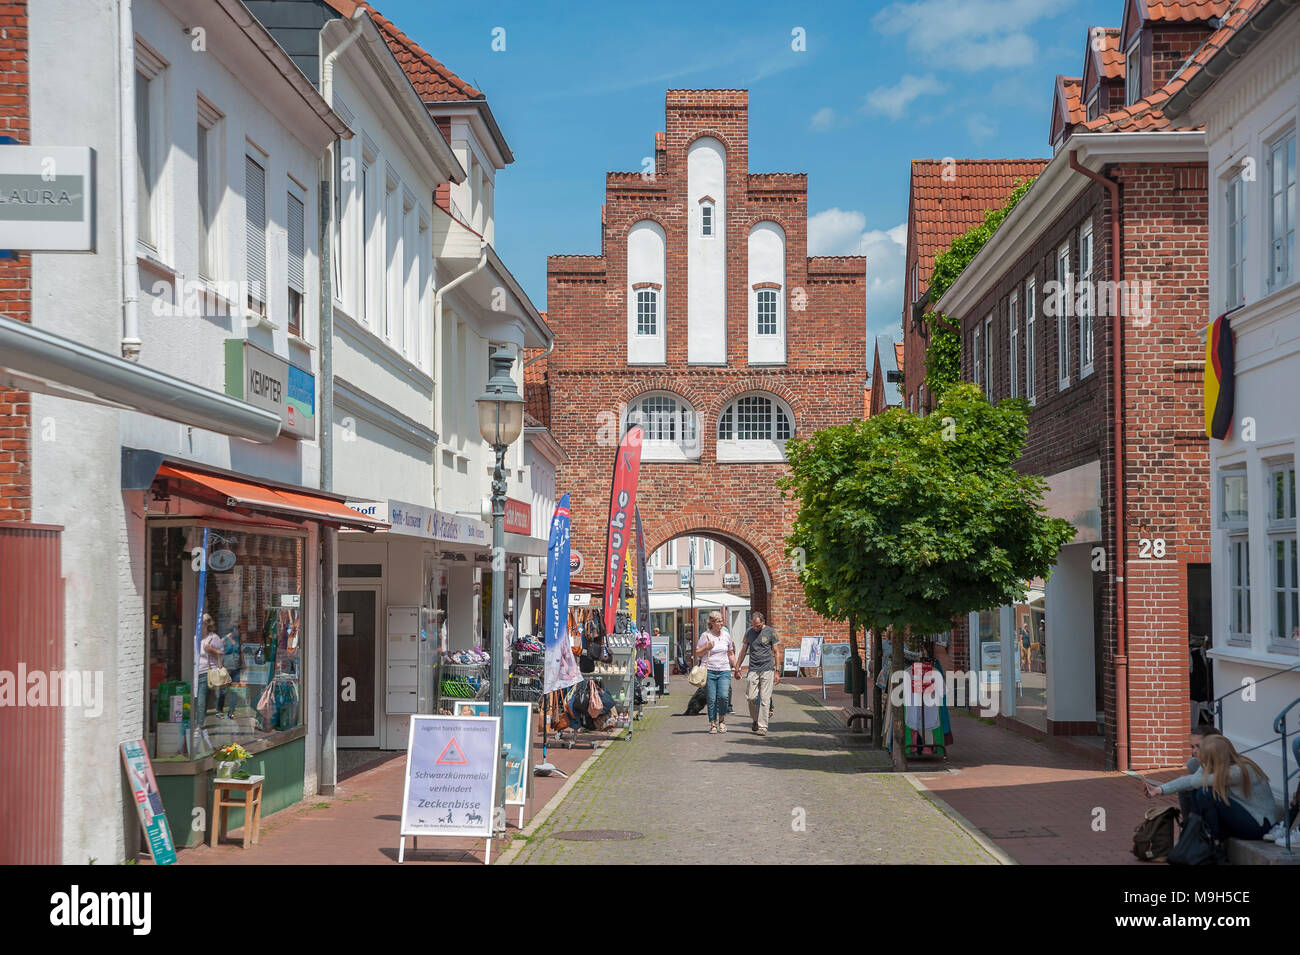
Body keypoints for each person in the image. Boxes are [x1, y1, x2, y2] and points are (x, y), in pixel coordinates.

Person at [1143, 734, 1276, 842]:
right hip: (1248, 817)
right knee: (1198, 790)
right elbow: (1189, 781)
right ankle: (1198, 833)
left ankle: (1209, 838)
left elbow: (1195, 781)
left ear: (1215, 756)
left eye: (1204, 754)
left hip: (1259, 826)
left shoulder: (1237, 771)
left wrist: (1203, 764)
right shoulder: (1229, 765)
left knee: (1205, 791)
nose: (1197, 754)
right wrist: (1159, 790)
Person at [736, 610, 782, 736]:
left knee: (765, 699)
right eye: (753, 625)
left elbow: (777, 652)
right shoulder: (749, 632)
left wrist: (777, 671)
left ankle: (763, 726)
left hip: (767, 669)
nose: (755, 628)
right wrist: (737, 667)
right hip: (753, 669)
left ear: (763, 622)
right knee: (751, 697)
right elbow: (743, 650)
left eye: (758, 626)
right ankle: (755, 719)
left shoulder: (771, 632)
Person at [695, 611, 736, 734]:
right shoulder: (705, 636)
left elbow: (730, 653)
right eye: (719, 621)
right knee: (711, 699)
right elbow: (698, 653)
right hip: (710, 671)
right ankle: (713, 723)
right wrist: (706, 647)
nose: (721, 623)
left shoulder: (726, 635)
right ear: (712, 623)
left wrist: (736, 667)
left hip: (724, 670)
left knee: (723, 697)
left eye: (722, 621)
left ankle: (722, 720)